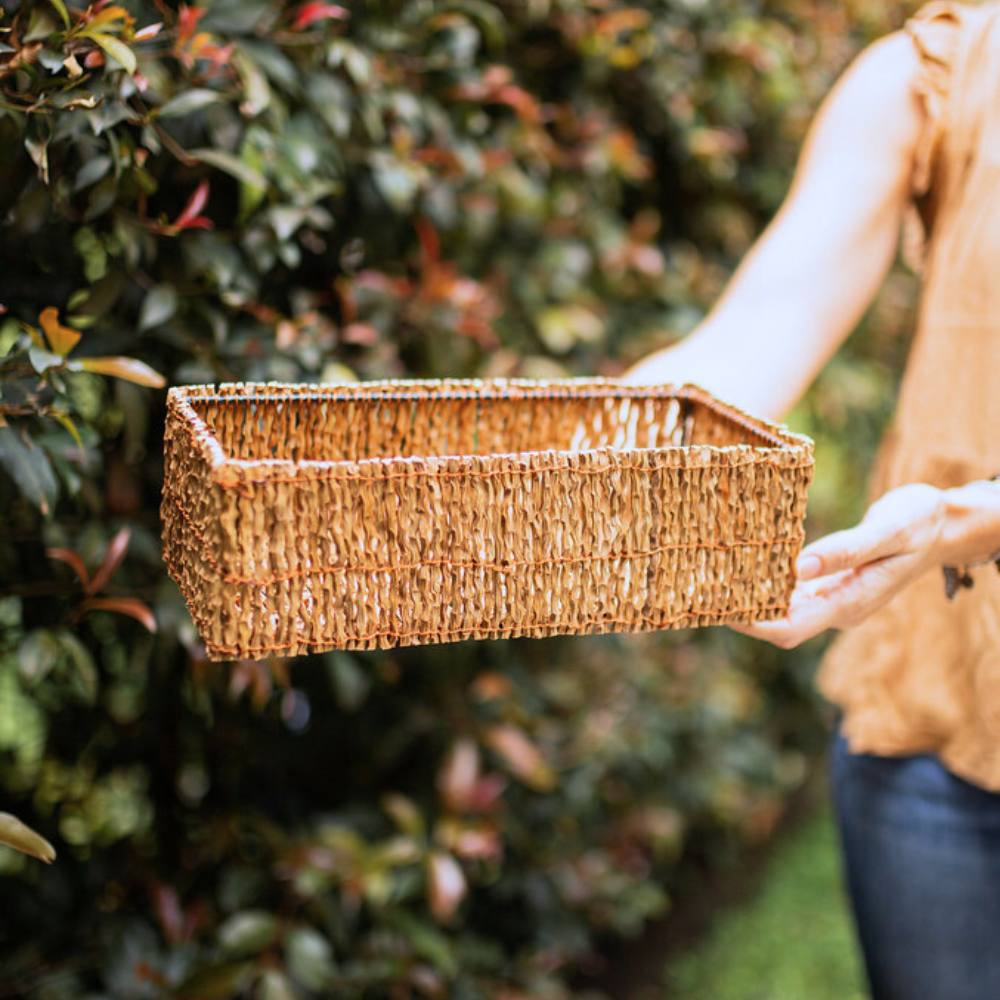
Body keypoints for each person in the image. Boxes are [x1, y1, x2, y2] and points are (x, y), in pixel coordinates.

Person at [622, 3, 1000, 998]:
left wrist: (960, 520)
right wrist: (580, 455)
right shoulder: (943, 63)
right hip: (935, 710)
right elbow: (754, 333)